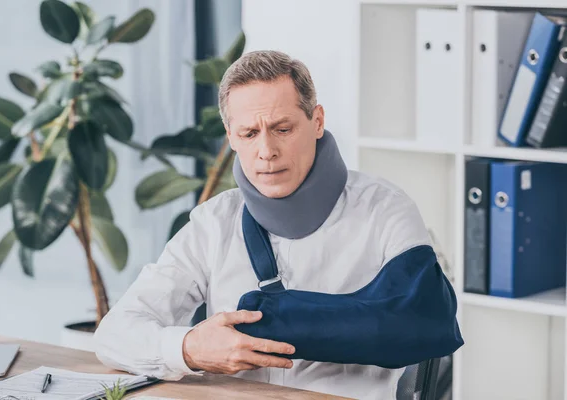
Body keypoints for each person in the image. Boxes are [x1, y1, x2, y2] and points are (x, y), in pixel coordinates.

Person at [93, 50, 462, 399]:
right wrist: (189, 348)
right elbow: (114, 334)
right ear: (231, 137)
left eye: (282, 129)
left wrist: (285, 323)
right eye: (249, 134)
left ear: (317, 121)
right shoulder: (214, 222)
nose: (266, 151)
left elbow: (425, 319)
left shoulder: (385, 211)